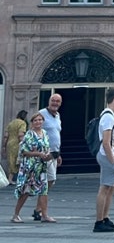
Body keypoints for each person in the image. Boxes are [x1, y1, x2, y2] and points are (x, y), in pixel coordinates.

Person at [11, 112, 54, 223]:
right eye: (35, 120)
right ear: (32, 122)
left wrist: (49, 155)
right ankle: (16, 214)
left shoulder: (44, 133)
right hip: (30, 166)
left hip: (42, 166)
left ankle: (44, 214)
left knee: (44, 189)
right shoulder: (29, 135)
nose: (38, 122)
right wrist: (38, 154)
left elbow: (47, 147)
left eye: (40, 120)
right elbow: (24, 151)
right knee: (26, 190)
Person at [94, 86, 114, 233]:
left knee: (112, 187)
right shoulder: (108, 117)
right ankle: (99, 221)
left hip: (110, 154)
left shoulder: (110, 115)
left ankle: (105, 218)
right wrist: (112, 161)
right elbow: (106, 142)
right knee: (105, 187)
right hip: (107, 155)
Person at [34, 93, 62, 221]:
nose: (55, 103)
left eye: (57, 101)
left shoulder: (58, 116)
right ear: (49, 101)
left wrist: (59, 153)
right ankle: (42, 212)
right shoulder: (41, 114)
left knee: (50, 181)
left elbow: (56, 134)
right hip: (45, 154)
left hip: (54, 154)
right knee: (47, 181)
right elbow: (35, 131)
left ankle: (38, 209)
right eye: (53, 100)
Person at [2, 110, 27, 186]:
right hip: (17, 144)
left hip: (9, 143)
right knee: (18, 161)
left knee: (11, 161)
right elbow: (20, 135)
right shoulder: (22, 123)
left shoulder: (11, 123)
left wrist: (4, 146)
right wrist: (24, 144)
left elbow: (6, 136)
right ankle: (12, 179)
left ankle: (10, 178)